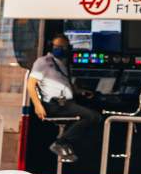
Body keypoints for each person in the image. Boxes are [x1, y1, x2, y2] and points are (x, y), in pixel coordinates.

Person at [28, 34, 100, 163]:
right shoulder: (43, 62)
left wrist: (80, 92)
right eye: (57, 46)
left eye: (63, 47)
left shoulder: (62, 63)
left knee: (94, 112)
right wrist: (38, 105)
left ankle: (67, 144)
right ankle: (61, 142)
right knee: (92, 116)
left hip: (68, 102)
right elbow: (31, 84)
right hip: (56, 105)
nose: (59, 49)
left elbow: (64, 83)